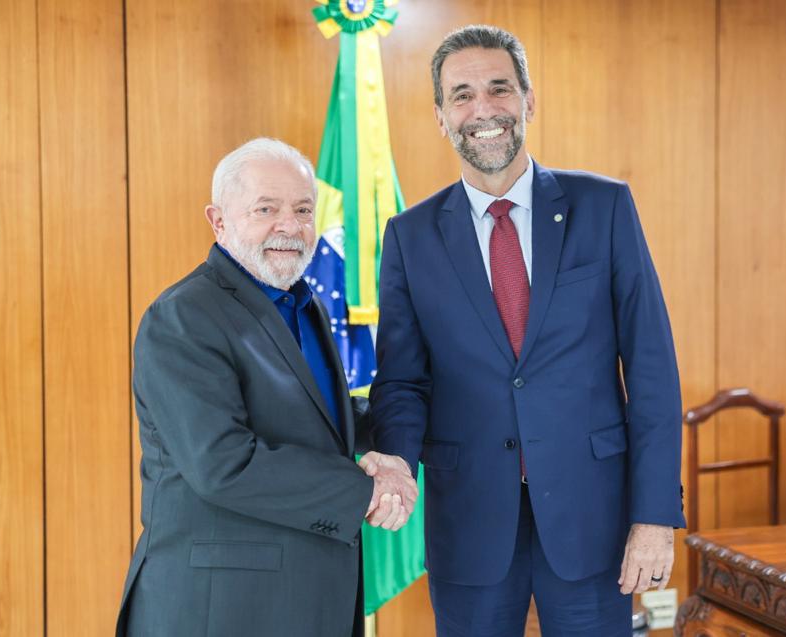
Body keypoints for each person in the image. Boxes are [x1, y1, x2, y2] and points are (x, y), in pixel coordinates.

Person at [367, 25, 684, 636]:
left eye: (499, 89)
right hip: (469, 519)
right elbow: (403, 380)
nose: (482, 110)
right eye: (461, 95)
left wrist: (653, 518)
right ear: (440, 115)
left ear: (528, 101)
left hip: (593, 521)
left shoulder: (605, 207)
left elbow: (651, 370)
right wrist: (399, 465)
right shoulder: (409, 236)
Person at [116, 138, 417, 637]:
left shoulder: (304, 305)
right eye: (266, 208)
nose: (290, 225)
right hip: (221, 609)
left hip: (309, 597)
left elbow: (318, 418)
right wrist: (365, 491)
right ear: (218, 220)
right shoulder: (184, 316)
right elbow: (223, 463)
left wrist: (399, 431)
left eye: (303, 209)